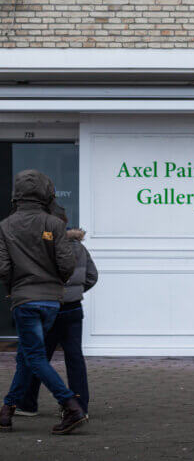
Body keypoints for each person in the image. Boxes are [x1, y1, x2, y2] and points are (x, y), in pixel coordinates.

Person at [0, 169, 87, 435]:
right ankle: (7, 410)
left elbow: (3, 268)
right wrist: (55, 282)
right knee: (27, 356)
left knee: (34, 357)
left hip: (25, 299)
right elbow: (66, 264)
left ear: (18, 194)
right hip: (51, 302)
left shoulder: (6, 226)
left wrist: (14, 287)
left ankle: (71, 406)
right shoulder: (54, 224)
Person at [17, 209, 98, 418]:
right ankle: (81, 406)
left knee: (38, 357)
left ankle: (28, 404)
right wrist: (75, 292)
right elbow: (92, 276)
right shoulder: (79, 247)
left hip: (49, 308)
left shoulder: (45, 247)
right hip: (74, 309)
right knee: (75, 359)